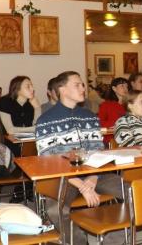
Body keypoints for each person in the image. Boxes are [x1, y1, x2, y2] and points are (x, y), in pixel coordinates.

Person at [35, 71, 123, 244]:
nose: (83, 87)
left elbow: (99, 150)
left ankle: (112, 241)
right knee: (54, 209)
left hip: (95, 173)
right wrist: (82, 185)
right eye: (77, 84)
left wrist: (92, 178)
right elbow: (48, 162)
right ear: (62, 89)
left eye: (83, 84)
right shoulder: (45, 120)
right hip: (64, 178)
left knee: (136, 192)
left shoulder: (89, 116)